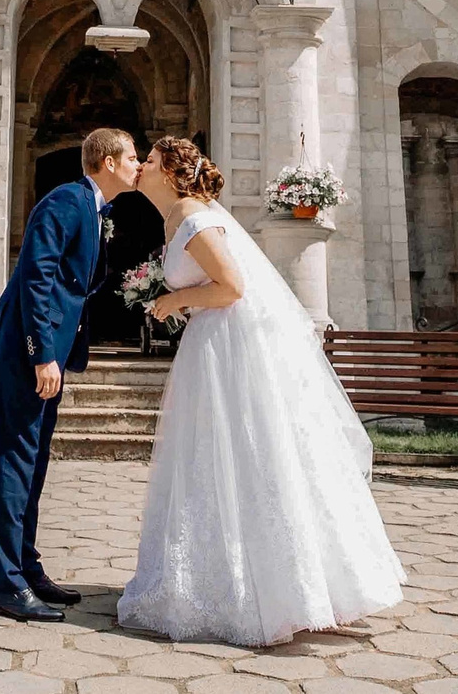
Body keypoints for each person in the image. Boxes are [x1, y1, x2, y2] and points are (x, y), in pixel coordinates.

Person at [116, 136, 404, 645]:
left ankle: (277, 590)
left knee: (243, 456)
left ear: (172, 173)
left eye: (151, 161)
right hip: (214, 344)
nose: (141, 168)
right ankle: (226, 579)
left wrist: (174, 299)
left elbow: (232, 286)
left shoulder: (193, 216)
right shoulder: (178, 214)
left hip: (227, 347)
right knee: (212, 461)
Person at [0, 125, 142, 622]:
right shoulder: (65, 202)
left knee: (35, 461)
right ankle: (4, 583)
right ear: (108, 162)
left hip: (48, 353)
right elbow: (35, 277)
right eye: (133, 156)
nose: (139, 163)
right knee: (15, 460)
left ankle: (25, 567)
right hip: (24, 352)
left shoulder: (93, 208)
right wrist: (41, 354)